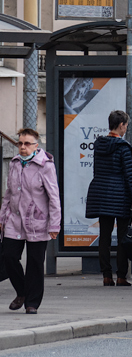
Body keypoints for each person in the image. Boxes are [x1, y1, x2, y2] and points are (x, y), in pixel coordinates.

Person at [0, 129, 61, 314]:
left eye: (27, 144)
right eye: (20, 143)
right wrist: (2, 217)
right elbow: (8, 193)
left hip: (38, 221)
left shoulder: (45, 166)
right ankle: (22, 292)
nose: (23, 147)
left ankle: (32, 303)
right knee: (8, 256)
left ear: (36, 146)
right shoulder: (15, 163)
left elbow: (54, 197)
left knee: (35, 262)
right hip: (14, 220)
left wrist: (54, 224)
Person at [85, 110, 132, 287]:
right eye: (126, 125)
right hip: (120, 196)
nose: (126, 128)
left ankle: (106, 276)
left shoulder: (99, 145)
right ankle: (121, 276)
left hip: (101, 194)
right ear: (121, 125)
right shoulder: (123, 148)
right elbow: (130, 177)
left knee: (104, 236)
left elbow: (97, 171)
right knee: (123, 237)